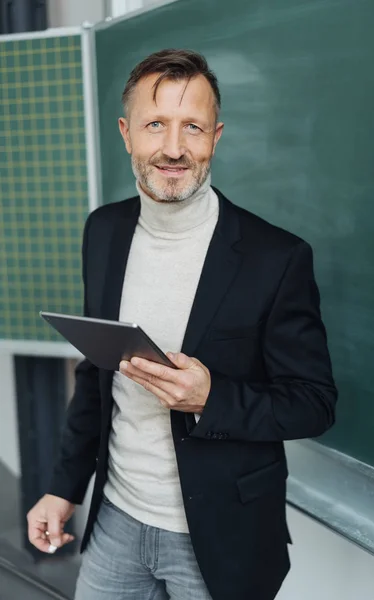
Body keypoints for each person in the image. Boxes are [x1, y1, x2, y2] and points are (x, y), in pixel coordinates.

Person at [27, 49, 337, 600]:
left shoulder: (276, 257)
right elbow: (98, 375)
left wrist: (212, 397)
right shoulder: (103, 231)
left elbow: (314, 402)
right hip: (115, 522)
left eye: (191, 127)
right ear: (126, 134)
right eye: (155, 125)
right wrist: (63, 488)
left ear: (215, 136)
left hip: (221, 537)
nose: (173, 148)